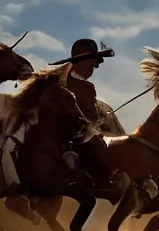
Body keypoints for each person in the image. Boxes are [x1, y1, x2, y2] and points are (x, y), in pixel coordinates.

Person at [51, 38, 118, 187]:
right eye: (94, 60)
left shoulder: (72, 83)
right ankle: (116, 177)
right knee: (97, 142)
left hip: (73, 136)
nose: (96, 65)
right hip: (72, 139)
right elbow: (86, 117)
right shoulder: (78, 87)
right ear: (83, 60)